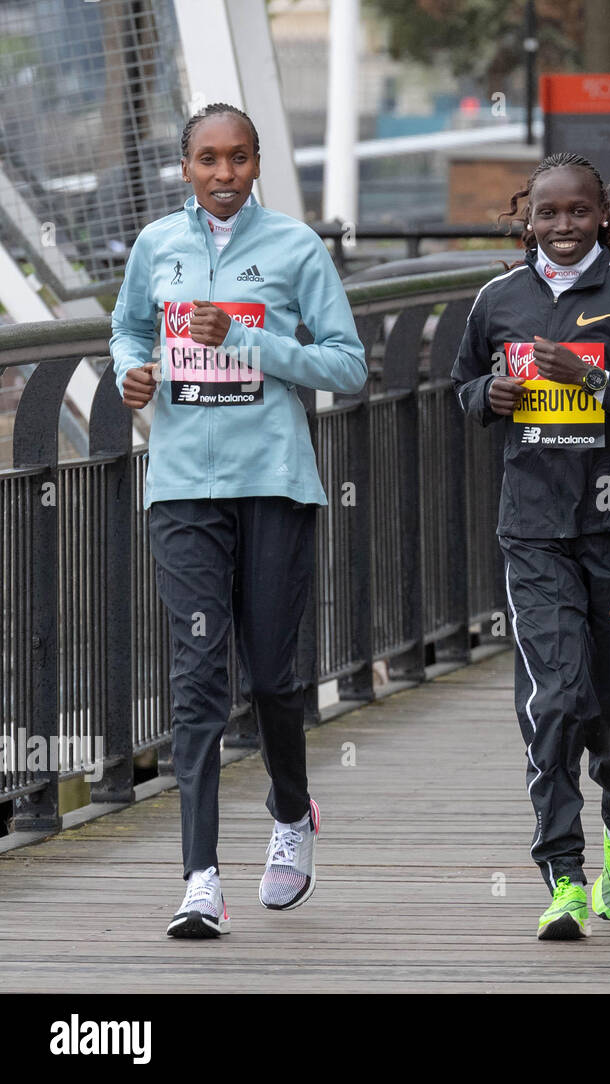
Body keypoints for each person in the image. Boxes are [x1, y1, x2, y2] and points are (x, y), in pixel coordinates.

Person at [110, 104, 367, 938]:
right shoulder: (157, 246)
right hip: (183, 485)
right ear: (184, 166)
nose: (225, 175)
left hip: (273, 480)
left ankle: (292, 812)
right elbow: (127, 330)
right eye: (208, 160)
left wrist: (253, 346)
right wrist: (133, 375)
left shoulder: (295, 248)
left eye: (240, 159)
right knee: (195, 680)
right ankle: (200, 879)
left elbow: (348, 365)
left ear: (258, 164)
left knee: (270, 675)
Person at [451, 152, 610, 940]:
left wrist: (595, 384)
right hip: (533, 530)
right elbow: (460, 387)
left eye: (577, 213)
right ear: (528, 218)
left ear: (602, 218)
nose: (562, 227)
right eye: (547, 214)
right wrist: (484, 397)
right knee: (554, 697)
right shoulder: (497, 300)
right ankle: (562, 873)